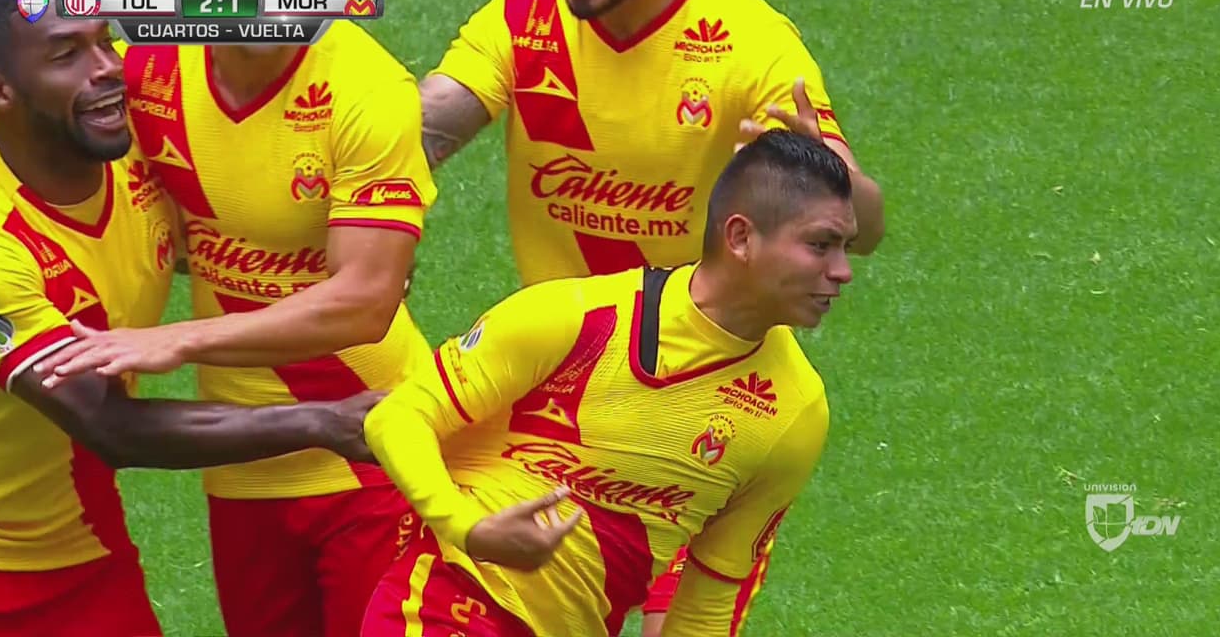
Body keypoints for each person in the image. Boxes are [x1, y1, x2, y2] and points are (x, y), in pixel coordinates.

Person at [418, 0, 882, 632]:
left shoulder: (746, 42)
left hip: (706, 407)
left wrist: (835, 172)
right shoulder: (522, 25)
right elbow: (414, 135)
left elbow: (862, 224)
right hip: (564, 395)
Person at [29, 0, 440, 636]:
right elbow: (28, 152)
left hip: (373, 452)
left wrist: (180, 339)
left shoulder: (367, 88)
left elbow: (365, 301)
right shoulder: (146, 70)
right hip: (243, 462)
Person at [0, 0, 379, 637]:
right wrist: (328, 423)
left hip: (86, 551)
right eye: (67, 55)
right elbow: (110, 426)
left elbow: (245, 158)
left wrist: (354, 248)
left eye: (105, 41)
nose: (108, 68)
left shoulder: (137, 149)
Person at [358, 129, 851, 637]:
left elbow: (711, 595)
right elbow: (399, 417)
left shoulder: (795, 411)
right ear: (742, 238)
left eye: (845, 248)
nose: (843, 271)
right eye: (820, 246)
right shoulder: (576, 318)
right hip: (447, 602)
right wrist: (469, 529)